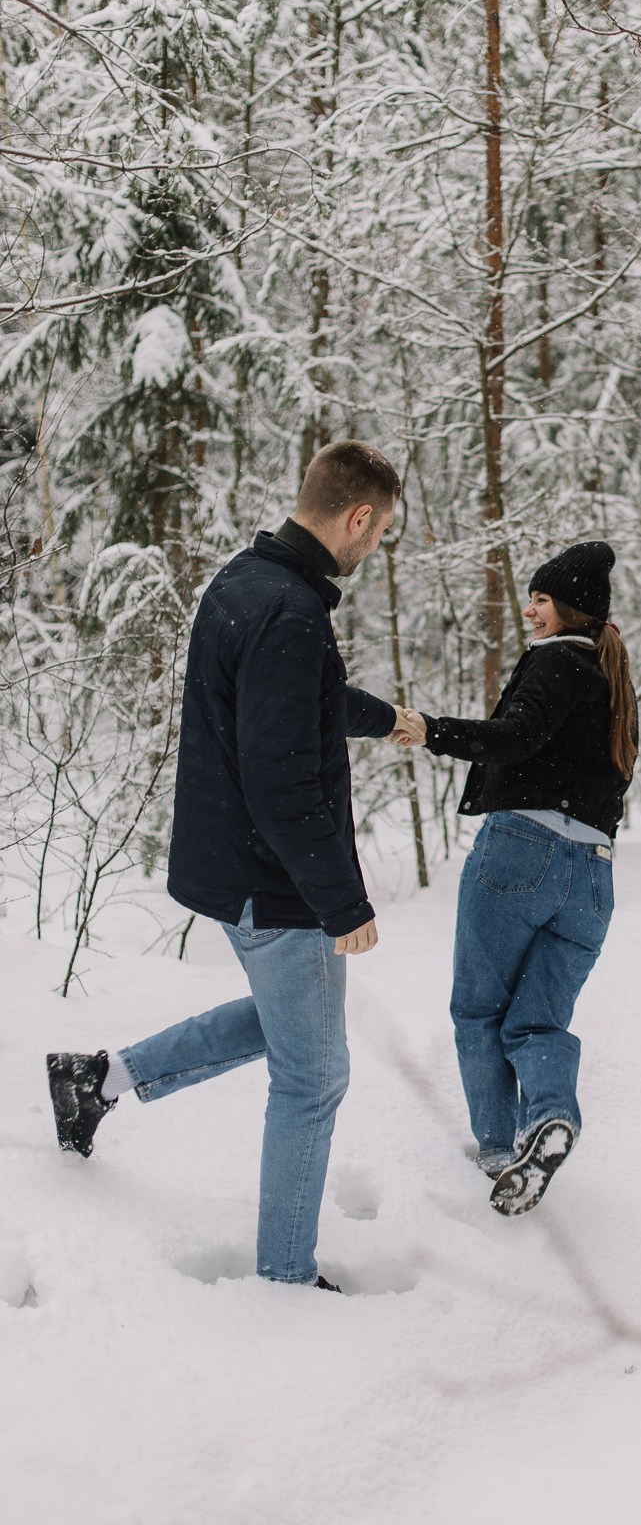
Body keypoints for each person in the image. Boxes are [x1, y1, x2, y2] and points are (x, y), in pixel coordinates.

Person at [46, 439, 404, 1291]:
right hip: (275, 882)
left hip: (236, 866)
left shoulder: (248, 579)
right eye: (381, 532)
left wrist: (387, 718)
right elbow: (282, 779)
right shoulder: (291, 611)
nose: (375, 547)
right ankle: (286, 1277)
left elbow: (291, 705)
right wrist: (343, 903)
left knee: (289, 1022)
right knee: (314, 1077)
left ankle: (97, 1079)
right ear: (358, 517)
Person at [392, 540, 637, 1218]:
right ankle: (550, 1115)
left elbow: (518, 735)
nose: (530, 610)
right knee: (536, 1021)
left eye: (541, 598)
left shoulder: (558, 660)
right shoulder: (613, 681)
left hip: (522, 853)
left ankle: (501, 1153)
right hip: (594, 876)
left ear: (571, 608)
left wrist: (431, 730)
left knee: (478, 1008)